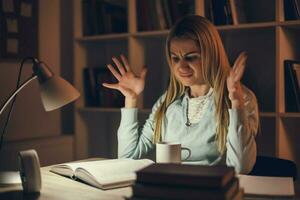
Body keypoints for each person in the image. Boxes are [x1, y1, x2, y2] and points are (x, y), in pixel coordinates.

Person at [102, 15, 259, 174]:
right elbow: (127, 158)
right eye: (175, 58)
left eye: (191, 57)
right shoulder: (167, 103)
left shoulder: (241, 98)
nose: (181, 66)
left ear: (211, 55)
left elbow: (241, 168)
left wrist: (237, 104)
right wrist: (131, 100)